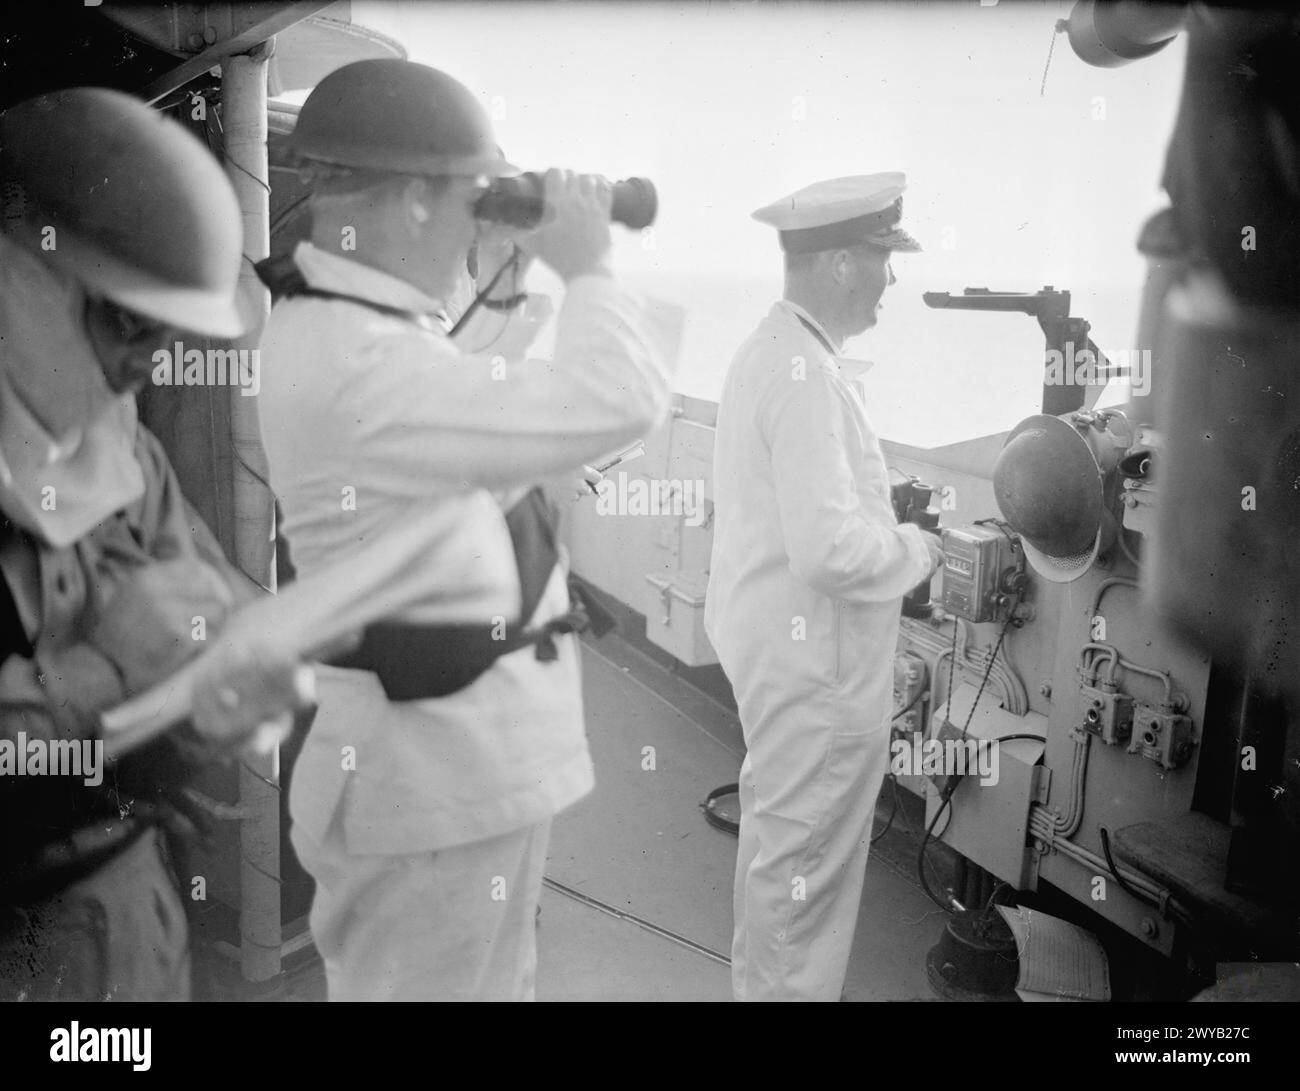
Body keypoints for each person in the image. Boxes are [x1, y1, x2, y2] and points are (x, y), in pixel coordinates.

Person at [255, 59, 670, 1001]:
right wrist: (589, 261)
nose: (477, 228)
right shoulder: (364, 364)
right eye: (467, 201)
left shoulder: (337, 317)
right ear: (407, 202)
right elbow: (622, 396)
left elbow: (459, 411)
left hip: (449, 785)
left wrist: (518, 260)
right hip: (430, 796)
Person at [0, 88, 311, 1001]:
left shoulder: (121, 447)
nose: (149, 363)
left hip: (121, 913)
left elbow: (218, 606)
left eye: (169, 335)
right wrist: (98, 672)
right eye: (130, 322)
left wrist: (245, 676)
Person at [704, 173, 945, 1001]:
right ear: (844, 263)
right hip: (821, 683)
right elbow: (830, 550)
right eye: (884, 261)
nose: (890, 282)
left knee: (779, 867)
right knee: (804, 885)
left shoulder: (769, 351)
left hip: (778, 659)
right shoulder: (806, 374)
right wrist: (917, 550)